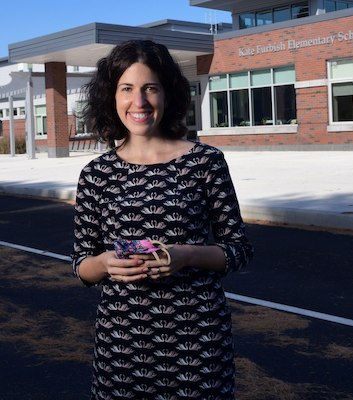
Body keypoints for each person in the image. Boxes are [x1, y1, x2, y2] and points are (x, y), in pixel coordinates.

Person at [71, 39, 254, 400]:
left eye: (150, 88)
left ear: (167, 94)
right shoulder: (97, 174)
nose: (138, 102)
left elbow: (238, 249)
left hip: (198, 342)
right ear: (111, 96)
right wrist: (105, 264)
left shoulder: (205, 162)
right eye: (127, 89)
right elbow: (80, 264)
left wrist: (185, 256)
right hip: (122, 346)